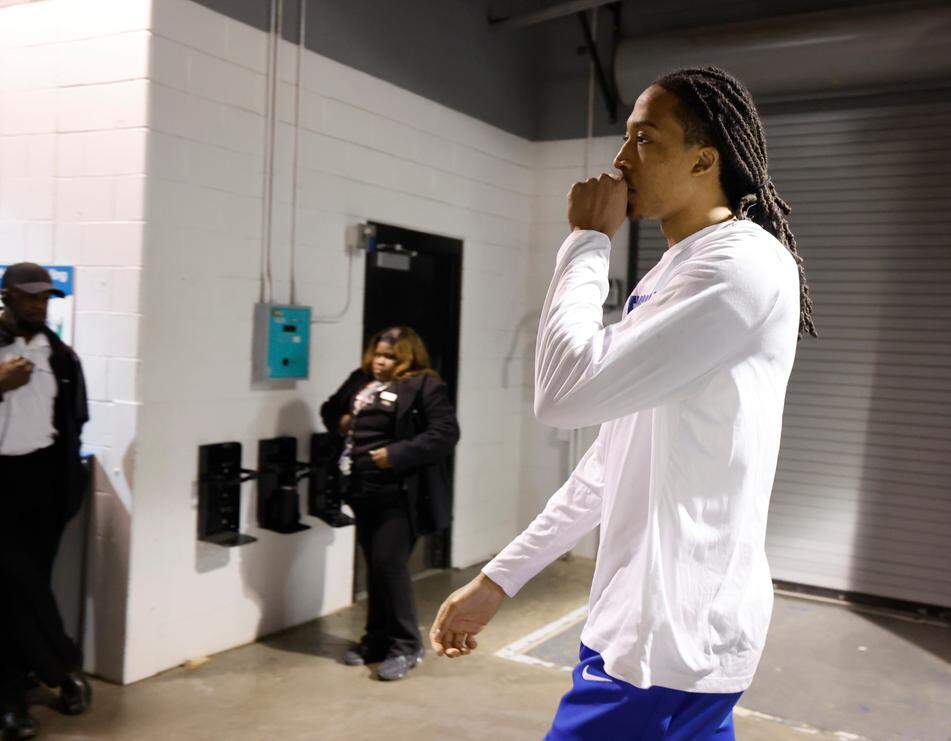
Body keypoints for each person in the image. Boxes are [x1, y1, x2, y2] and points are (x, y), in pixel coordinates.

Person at [430, 66, 818, 739]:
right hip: (644, 631)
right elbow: (612, 462)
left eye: (644, 139)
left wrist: (585, 240)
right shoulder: (681, 268)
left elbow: (561, 392)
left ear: (704, 161)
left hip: (665, 644)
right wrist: (500, 578)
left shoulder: (739, 268)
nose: (619, 159)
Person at [320, 326, 459, 682]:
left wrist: (396, 454)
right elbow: (330, 410)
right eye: (378, 354)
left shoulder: (425, 385)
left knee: (389, 564)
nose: (381, 362)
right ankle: (375, 640)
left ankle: (406, 646)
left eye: (391, 357)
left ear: (409, 358)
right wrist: (342, 422)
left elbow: (445, 433)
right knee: (376, 566)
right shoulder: (361, 380)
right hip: (362, 489)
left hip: (401, 494)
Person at [0, 263, 92, 740]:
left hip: (43, 485)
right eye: (30, 296)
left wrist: (68, 488)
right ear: (7, 295)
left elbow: (74, 422)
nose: (39, 304)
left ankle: (31, 679)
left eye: (46, 298)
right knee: (15, 583)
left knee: (27, 585)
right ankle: (57, 671)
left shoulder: (60, 356)